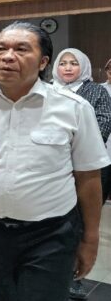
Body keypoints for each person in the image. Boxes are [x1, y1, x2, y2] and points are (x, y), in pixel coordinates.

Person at [0, 22, 110, 301]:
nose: (8, 56)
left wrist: (90, 238)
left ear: (43, 62)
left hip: (51, 232)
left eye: (21, 49)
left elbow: (89, 177)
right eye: (1, 49)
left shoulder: (74, 108)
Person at [52, 48, 111, 300]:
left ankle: (74, 276)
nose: (67, 67)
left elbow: (103, 125)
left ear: (84, 67)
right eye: (63, 63)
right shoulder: (47, 90)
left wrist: (64, 147)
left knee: (81, 221)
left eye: (73, 63)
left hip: (87, 169)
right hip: (53, 169)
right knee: (57, 222)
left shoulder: (96, 91)